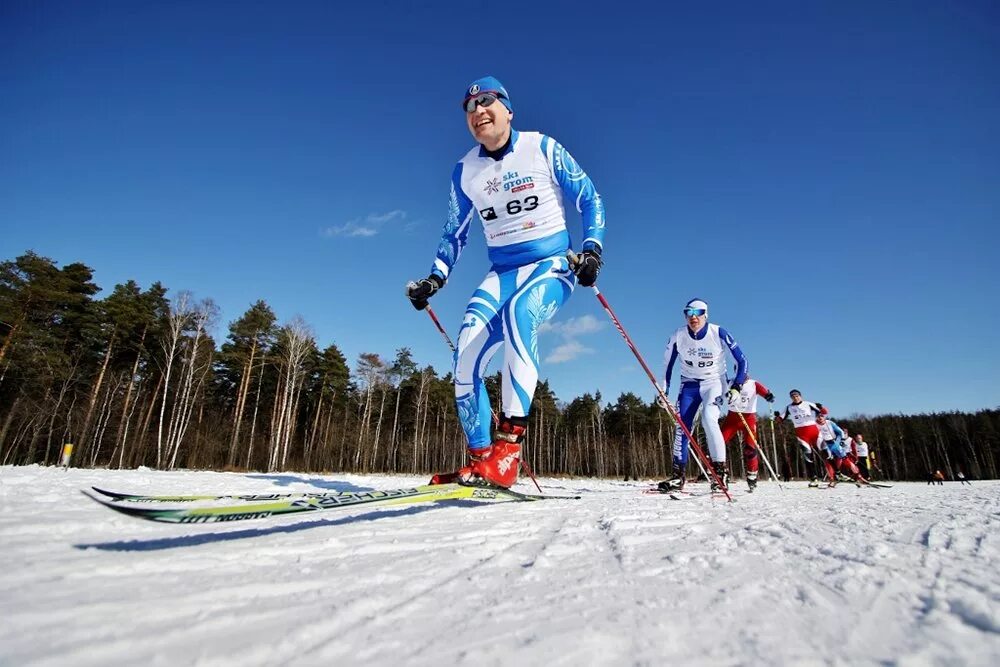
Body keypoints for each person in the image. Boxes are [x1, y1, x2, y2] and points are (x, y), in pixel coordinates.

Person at [407, 76, 605, 488]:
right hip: (501, 272)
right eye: (469, 106)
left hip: (553, 265)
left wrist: (592, 250)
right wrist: (435, 279)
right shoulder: (465, 171)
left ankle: (509, 450)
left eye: (487, 101)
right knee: (464, 356)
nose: (478, 110)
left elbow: (589, 197)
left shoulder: (542, 147)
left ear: (508, 110)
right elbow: (453, 232)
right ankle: (482, 460)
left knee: (520, 314)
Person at [658, 299, 748, 492]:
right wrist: (663, 391)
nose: (693, 316)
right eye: (688, 312)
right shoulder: (678, 335)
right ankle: (677, 475)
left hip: (714, 383)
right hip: (689, 384)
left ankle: (720, 471)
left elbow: (742, 360)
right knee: (682, 426)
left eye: (697, 312)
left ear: (705, 314)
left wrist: (737, 387)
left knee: (709, 419)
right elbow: (667, 365)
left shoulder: (718, 332)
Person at [720, 373, 775, 491]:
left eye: (744, 372)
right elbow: (718, 391)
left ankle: (752, 475)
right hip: (732, 418)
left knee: (750, 448)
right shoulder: (729, 382)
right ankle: (718, 471)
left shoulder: (753, 384)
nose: (743, 375)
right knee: (718, 442)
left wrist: (768, 396)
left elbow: (765, 392)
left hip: (748, 418)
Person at [774, 389, 829, 487]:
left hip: (814, 432)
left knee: (825, 451)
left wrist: (821, 407)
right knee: (808, 457)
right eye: (793, 397)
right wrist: (777, 417)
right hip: (802, 435)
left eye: (797, 396)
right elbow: (780, 420)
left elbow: (824, 412)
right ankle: (814, 478)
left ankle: (837, 474)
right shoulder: (789, 407)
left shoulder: (808, 404)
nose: (795, 398)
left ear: (800, 396)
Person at [816, 413, 865, 485]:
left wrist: (839, 441)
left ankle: (858, 476)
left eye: (822, 416)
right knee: (829, 461)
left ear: (824, 417)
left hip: (834, 443)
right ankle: (832, 479)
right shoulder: (815, 425)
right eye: (818, 416)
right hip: (825, 445)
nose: (820, 418)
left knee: (845, 459)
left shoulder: (829, 423)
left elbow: (840, 432)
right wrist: (818, 445)